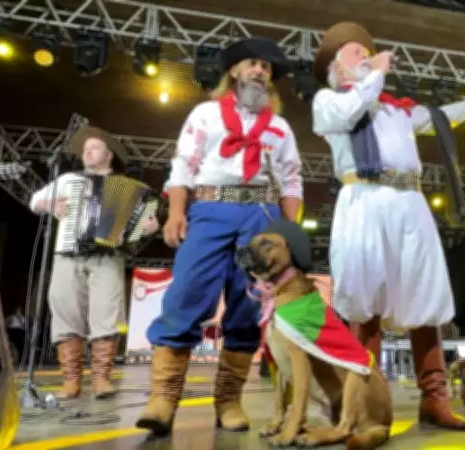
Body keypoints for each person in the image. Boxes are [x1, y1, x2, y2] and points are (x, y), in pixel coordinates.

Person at [310, 22, 465, 431]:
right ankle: (366, 403)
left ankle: (434, 399)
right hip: (364, 200)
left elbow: (438, 118)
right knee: (367, 300)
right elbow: (350, 111)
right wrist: (376, 74)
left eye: (367, 51)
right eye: (355, 53)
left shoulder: (396, 110)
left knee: (425, 296)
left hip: (409, 203)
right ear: (337, 70)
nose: (364, 56)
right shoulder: (329, 101)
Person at [135, 37, 303, 436]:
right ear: (234, 71)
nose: (260, 70)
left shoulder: (279, 127)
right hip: (210, 209)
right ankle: (163, 400)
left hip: (260, 215)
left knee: (248, 304)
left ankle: (229, 401)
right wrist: (176, 211)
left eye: (265, 66)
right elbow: (183, 166)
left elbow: (292, 180)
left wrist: (290, 232)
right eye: (252, 64)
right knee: (188, 292)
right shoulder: (206, 114)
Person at [28, 125, 160, 399]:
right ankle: (71, 380)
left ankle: (101, 378)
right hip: (67, 252)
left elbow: (147, 223)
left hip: (108, 257)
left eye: (94, 148)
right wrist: (48, 206)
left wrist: (148, 226)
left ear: (109, 155)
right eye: (85, 149)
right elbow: (35, 200)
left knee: (107, 314)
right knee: (66, 312)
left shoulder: (132, 189)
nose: (87, 152)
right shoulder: (67, 180)